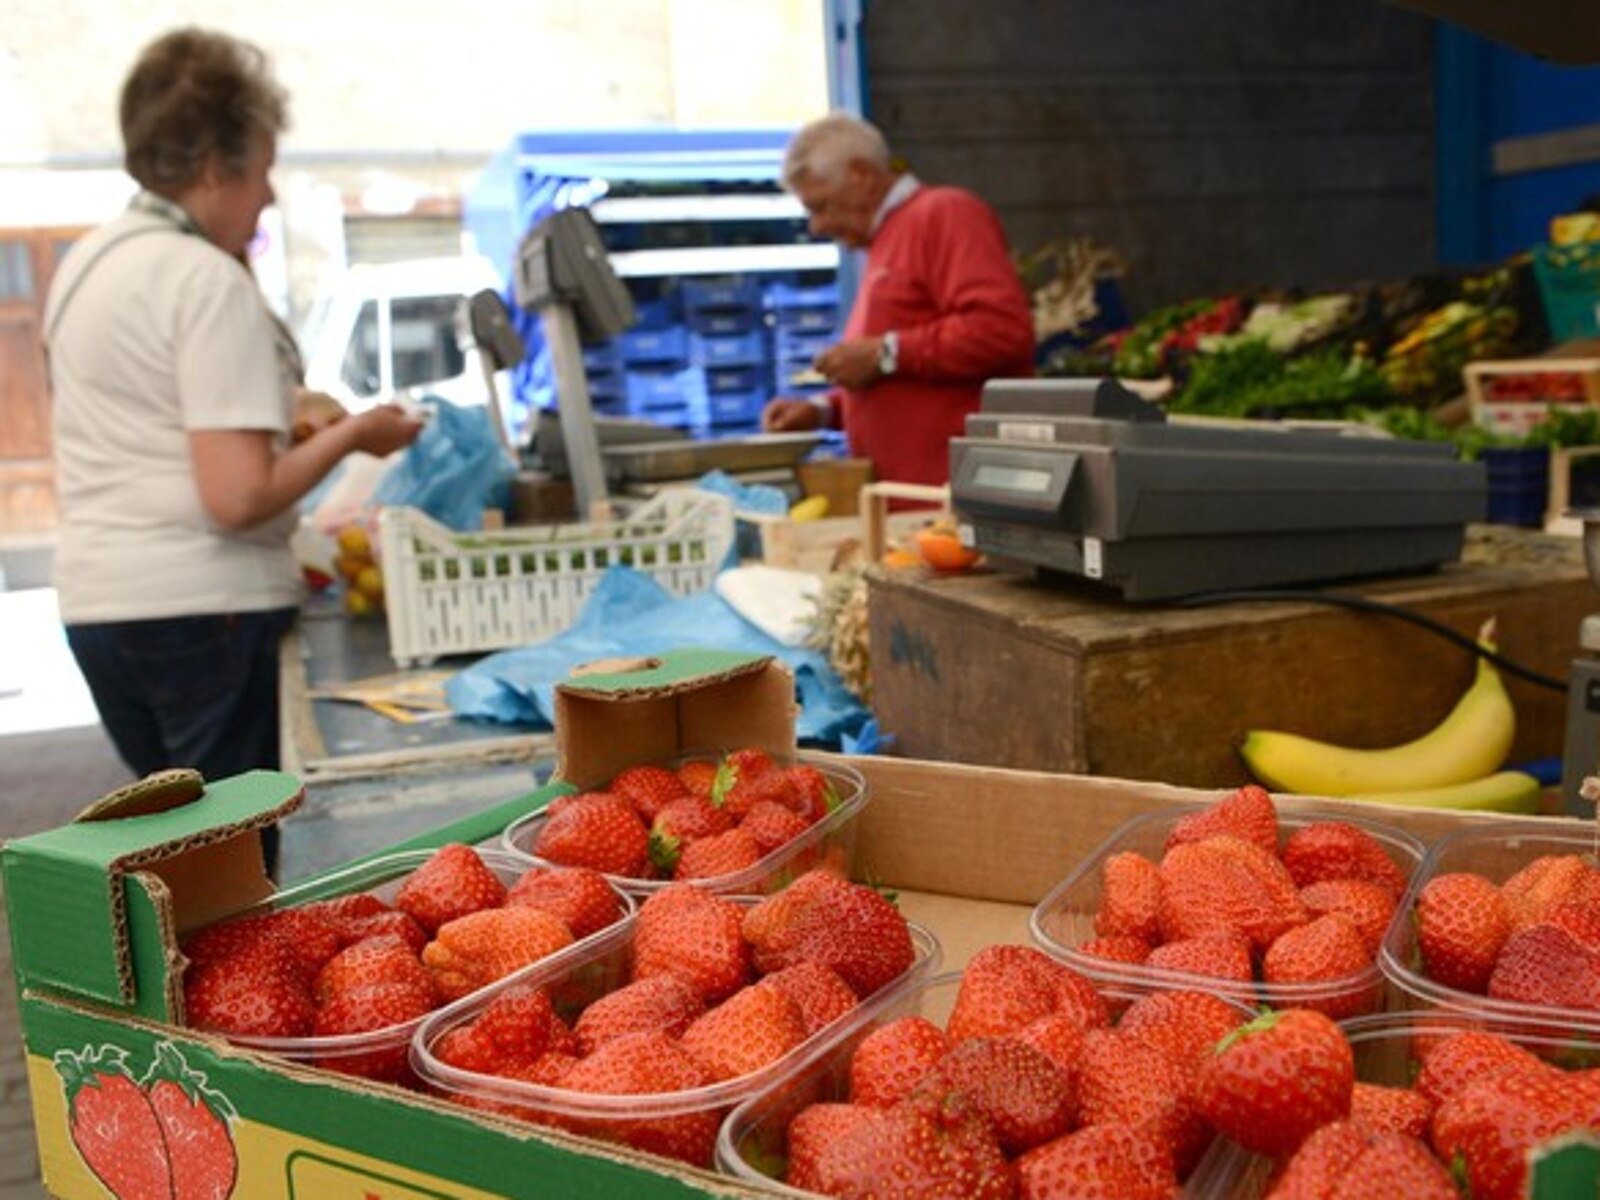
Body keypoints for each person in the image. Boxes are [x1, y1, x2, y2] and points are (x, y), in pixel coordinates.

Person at [45, 27, 423, 869]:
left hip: (103, 607)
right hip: (201, 612)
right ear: (215, 167)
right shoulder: (203, 277)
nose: (269, 198)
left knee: (183, 860)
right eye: (261, 169)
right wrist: (358, 434)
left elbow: (143, 419)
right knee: (231, 873)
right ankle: (205, 1006)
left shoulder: (91, 263)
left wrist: (282, 416)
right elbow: (239, 497)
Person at [761, 112, 1036, 487]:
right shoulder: (882, 243)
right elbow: (906, 380)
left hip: (952, 501)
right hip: (911, 508)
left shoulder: (944, 213)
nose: (817, 226)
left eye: (821, 206)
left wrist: (884, 353)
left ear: (862, 174)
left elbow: (1001, 330)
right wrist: (823, 411)